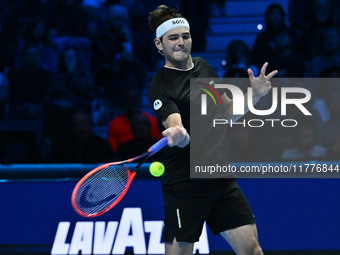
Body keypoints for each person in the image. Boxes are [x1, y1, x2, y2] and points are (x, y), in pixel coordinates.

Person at [147, 5, 277, 255]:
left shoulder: (203, 67)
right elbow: (174, 124)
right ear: (159, 44)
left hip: (220, 178)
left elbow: (225, 112)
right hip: (185, 183)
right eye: (173, 38)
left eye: (185, 36)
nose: (181, 42)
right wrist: (179, 134)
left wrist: (256, 96)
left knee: (253, 251)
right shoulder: (160, 85)